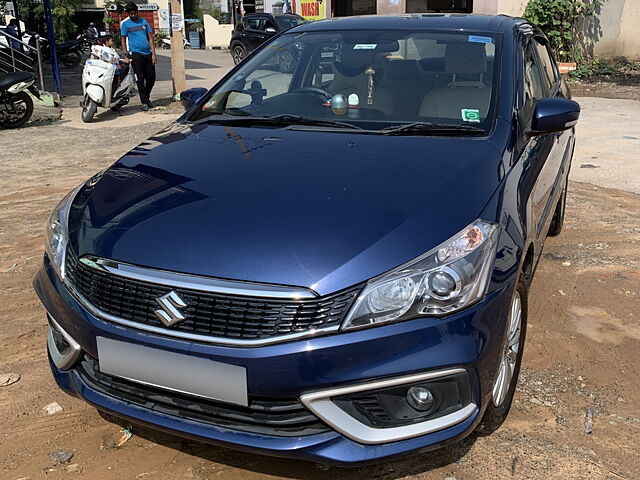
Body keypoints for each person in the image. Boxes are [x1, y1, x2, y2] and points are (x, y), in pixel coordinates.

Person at [120, 2, 157, 111]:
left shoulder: (144, 22)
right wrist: (125, 53)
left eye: (134, 13)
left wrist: (154, 54)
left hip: (147, 53)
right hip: (136, 54)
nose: (133, 15)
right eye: (130, 14)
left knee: (151, 77)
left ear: (137, 12)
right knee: (140, 79)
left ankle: (146, 96)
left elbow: (150, 38)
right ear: (128, 14)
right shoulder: (126, 25)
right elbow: (123, 39)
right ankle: (144, 102)